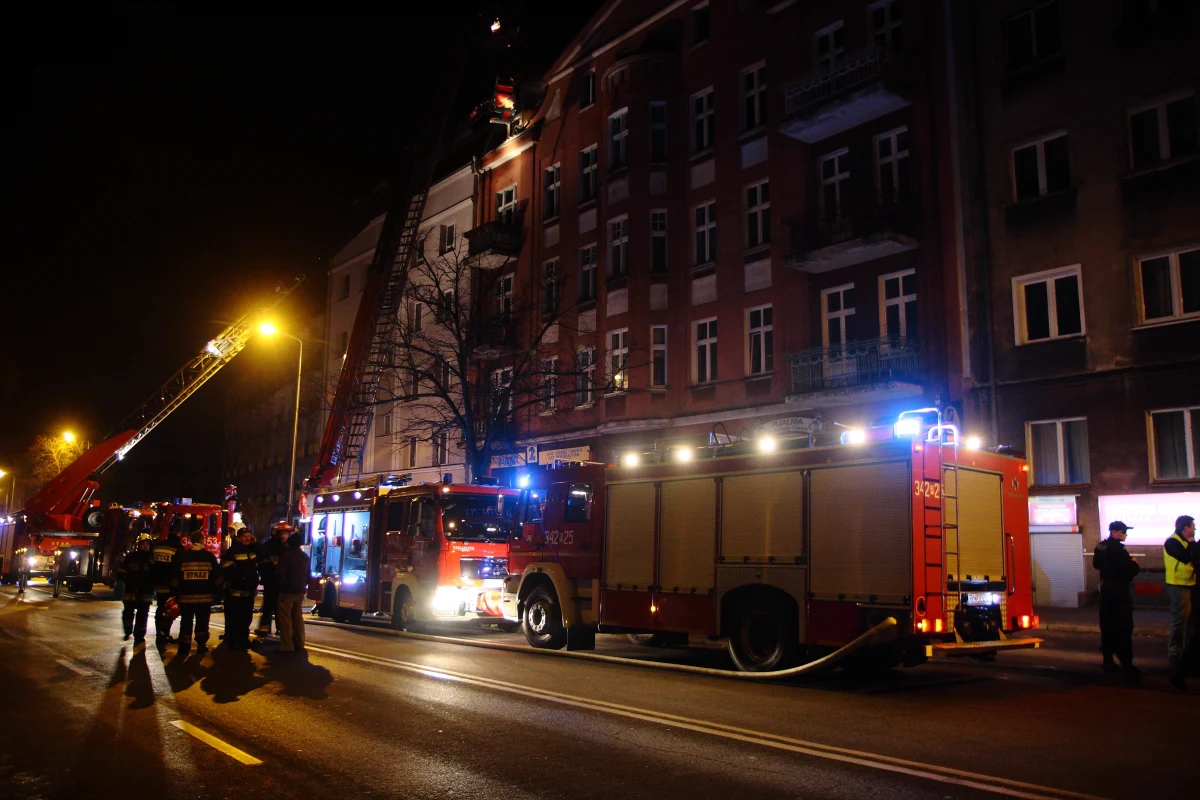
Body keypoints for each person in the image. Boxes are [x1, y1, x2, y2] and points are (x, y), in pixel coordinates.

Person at [1092, 521, 1140, 679]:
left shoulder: (1100, 547)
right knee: (1124, 627)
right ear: (1114, 532)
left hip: (1106, 591)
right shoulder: (1118, 550)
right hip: (1119, 592)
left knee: (1107, 626)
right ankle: (1127, 664)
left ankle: (1108, 660)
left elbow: (1096, 565)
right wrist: (1134, 563)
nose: (1125, 534)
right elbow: (1129, 571)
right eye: (1122, 531)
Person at [169, 535, 222, 655]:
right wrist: (217, 594)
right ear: (202, 541)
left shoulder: (182, 557)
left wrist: (175, 593)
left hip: (186, 598)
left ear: (191, 541)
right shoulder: (209, 557)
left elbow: (175, 578)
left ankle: (184, 646)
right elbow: (217, 578)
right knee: (202, 622)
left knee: (186, 622)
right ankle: (201, 645)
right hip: (204, 598)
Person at [1163, 514, 1196, 691]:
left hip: (1188, 584)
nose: (1195, 529)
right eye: (1193, 526)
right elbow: (1185, 557)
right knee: (1179, 620)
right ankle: (1175, 652)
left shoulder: (1186, 541)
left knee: (1188, 621)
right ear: (1185, 528)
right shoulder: (1172, 542)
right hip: (1178, 585)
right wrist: (1192, 543)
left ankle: (1183, 651)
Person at [220, 528, 259, 651]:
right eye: (244, 536)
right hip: (236, 592)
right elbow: (227, 570)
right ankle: (234, 642)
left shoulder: (252, 551)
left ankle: (244, 640)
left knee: (247, 618)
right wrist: (241, 579)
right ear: (238, 538)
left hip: (249, 592)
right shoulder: (232, 552)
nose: (247, 538)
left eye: (249, 536)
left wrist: (256, 543)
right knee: (235, 618)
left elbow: (263, 554)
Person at [117, 534, 156, 645]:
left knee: (142, 615)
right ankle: (128, 629)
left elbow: (157, 574)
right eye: (143, 544)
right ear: (138, 545)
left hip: (146, 592)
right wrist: (129, 581)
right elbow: (121, 573)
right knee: (128, 612)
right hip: (131, 591)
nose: (145, 546)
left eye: (147, 544)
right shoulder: (131, 557)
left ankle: (139, 636)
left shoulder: (153, 558)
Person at [255, 523, 292, 637]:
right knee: (269, 605)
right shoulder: (268, 547)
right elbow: (261, 563)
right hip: (271, 581)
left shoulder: (289, 547)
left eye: (287, 533)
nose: (285, 536)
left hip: (282, 583)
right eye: (284, 533)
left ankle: (280, 628)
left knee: (280, 607)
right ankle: (265, 626)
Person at [151, 528, 184, 652]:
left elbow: (152, 565)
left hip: (158, 584)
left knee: (160, 608)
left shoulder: (158, 546)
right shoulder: (178, 548)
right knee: (170, 610)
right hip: (171, 586)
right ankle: (164, 633)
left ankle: (159, 634)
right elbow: (179, 567)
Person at [275, 532, 309, 652]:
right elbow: (308, 574)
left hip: (287, 591)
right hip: (300, 590)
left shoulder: (286, 556)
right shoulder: (305, 557)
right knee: (297, 617)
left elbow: (281, 574)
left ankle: (286, 646)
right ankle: (299, 643)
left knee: (285, 619)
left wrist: (280, 585)